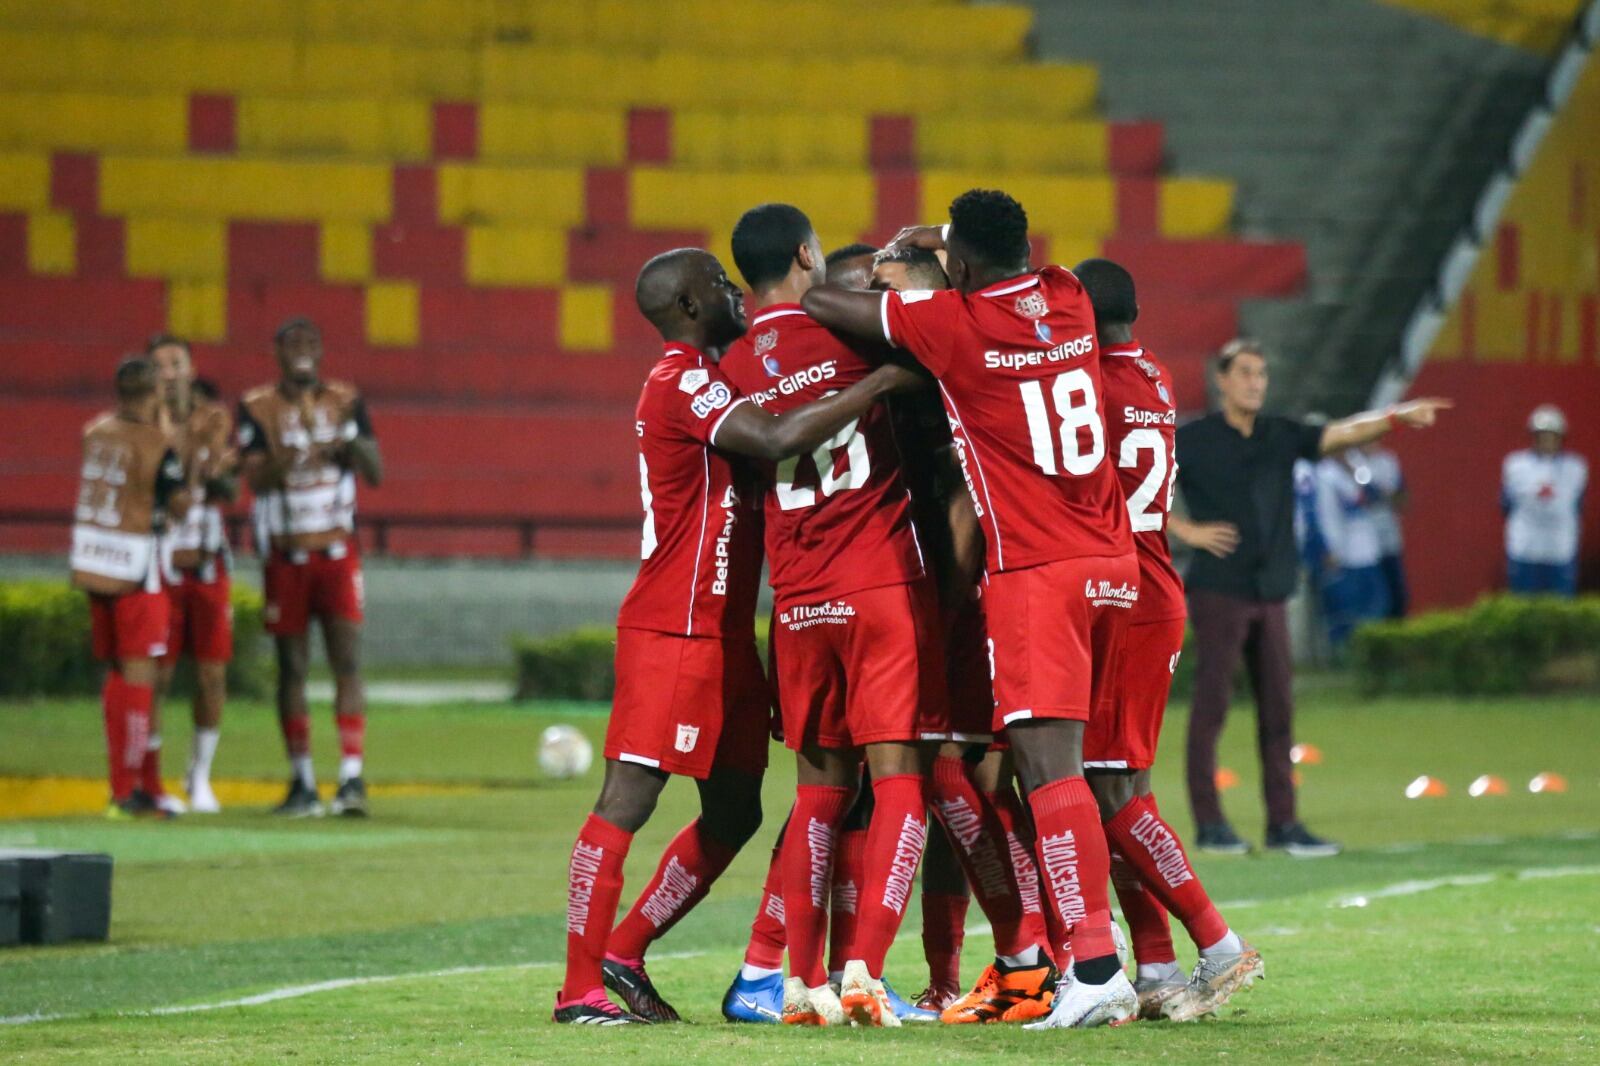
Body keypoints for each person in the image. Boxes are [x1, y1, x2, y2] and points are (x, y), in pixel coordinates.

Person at [553, 247, 921, 1026]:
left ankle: (624, 949)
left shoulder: (721, 375)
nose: (733, 292)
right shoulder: (681, 378)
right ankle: (579, 988)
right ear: (688, 307)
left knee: (736, 812)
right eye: (718, 285)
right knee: (627, 797)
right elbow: (779, 437)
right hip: (672, 627)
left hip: (728, 633)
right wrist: (883, 381)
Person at [804, 188, 1144, 1029]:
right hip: (1112, 560)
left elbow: (820, 299)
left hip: (1038, 571)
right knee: (1065, 772)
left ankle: (1095, 969)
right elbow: (1005, 260)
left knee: (1046, 769)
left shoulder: (950, 325)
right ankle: (1080, 962)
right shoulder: (1065, 296)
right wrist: (942, 241)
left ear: (956, 264)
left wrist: (905, 262)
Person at [718, 204, 949, 1029]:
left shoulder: (734, 364)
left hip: (799, 597)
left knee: (816, 792)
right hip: (878, 581)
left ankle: (804, 981)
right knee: (900, 786)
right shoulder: (854, 338)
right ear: (808, 254)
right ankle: (868, 974)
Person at [1170, 338, 1449, 856]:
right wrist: (1184, 530)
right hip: (1220, 590)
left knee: (1279, 712)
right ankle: (1210, 825)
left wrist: (1395, 417)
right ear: (1222, 380)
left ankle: (1284, 825)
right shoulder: (1193, 439)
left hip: (1272, 591)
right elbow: (1128, 481)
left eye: (1262, 374)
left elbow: (1341, 434)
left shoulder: (1280, 434)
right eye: (1246, 373)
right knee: (1210, 710)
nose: (1256, 382)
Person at [1073, 258, 1261, 1024]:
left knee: (1112, 789)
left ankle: (1217, 943)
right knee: (1113, 785)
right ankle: (1155, 966)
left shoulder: (1096, 387)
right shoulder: (1149, 373)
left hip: (1130, 599)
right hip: (1149, 589)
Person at [872, 243, 1056, 1026]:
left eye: (887, 286)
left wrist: (943, 613)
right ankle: (960, 977)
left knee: (964, 787)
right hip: (951, 609)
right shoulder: (923, 365)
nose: (878, 303)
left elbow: (962, 514)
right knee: (963, 803)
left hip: (969, 613)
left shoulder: (946, 367)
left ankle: (1036, 957)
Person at [237, 319, 382, 818]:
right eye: (291, 344)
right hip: (286, 552)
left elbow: (376, 471)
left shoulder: (345, 399)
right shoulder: (257, 407)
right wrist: (292, 453)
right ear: (277, 352)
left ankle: (351, 778)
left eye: (309, 343)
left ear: (321, 350)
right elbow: (255, 479)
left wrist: (349, 445)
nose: (301, 352)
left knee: (347, 660)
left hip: (337, 552)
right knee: (291, 667)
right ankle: (301, 781)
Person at [71, 357, 185, 818]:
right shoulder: (158, 444)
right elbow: (176, 505)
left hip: (94, 559)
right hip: (137, 567)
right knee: (143, 678)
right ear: (155, 391)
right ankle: (128, 791)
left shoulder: (94, 431)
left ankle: (124, 783)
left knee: (117, 672)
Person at [147, 334, 237, 814]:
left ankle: (199, 776)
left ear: (191, 366)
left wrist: (217, 466)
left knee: (211, 675)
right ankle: (150, 775)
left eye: (176, 362)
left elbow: (229, 487)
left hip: (205, 561)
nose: (169, 372)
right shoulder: (142, 423)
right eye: (159, 365)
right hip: (158, 561)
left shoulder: (214, 419)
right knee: (156, 676)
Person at [1502, 404, 1587, 596]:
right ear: (1533, 437)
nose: (1547, 441)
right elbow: (1506, 505)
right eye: (1542, 435)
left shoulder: (1576, 468)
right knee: (1523, 609)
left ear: (1560, 438)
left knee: (1560, 614)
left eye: (1552, 436)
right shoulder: (1515, 465)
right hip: (1524, 549)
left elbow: (1578, 507)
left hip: (1560, 550)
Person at [1314, 450, 1392, 650]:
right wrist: (1329, 549)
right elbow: (1325, 515)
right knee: (1346, 613)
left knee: (1377, 607)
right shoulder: (1323, 474)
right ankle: (1345, 657)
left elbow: (1377, 494)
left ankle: (1372, 653)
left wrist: (1354, 470)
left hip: (1369, 551)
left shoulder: (1358, 465)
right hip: (1343, 555)